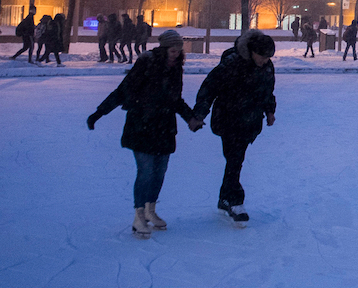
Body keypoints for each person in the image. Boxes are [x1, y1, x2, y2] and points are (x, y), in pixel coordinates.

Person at [85, 30, 201, 239]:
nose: (176, 54)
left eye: (178, 51)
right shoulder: (146, 64)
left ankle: (150, 210)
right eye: (173, 50)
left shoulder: (176, 69)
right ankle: (139, 216)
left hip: (164, 127)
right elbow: (122, 90)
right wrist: (99, 113)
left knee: (159, 172)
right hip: (142, 126)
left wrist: (190, 119)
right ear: (164, 48)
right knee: (146, 172)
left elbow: (175, 99)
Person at [191, 30, 276, 224]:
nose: (265, 60)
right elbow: (209, 88)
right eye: (263, 56)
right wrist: (199, 114)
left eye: (268, 57)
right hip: (229, 119)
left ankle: (224, 198)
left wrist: (270, 111)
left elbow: (268, 91)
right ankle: (236, 202)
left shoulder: (267, 67)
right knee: (234, 159)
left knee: (235, 160)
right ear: (253, 51)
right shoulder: (231, 63)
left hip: (250, 121)